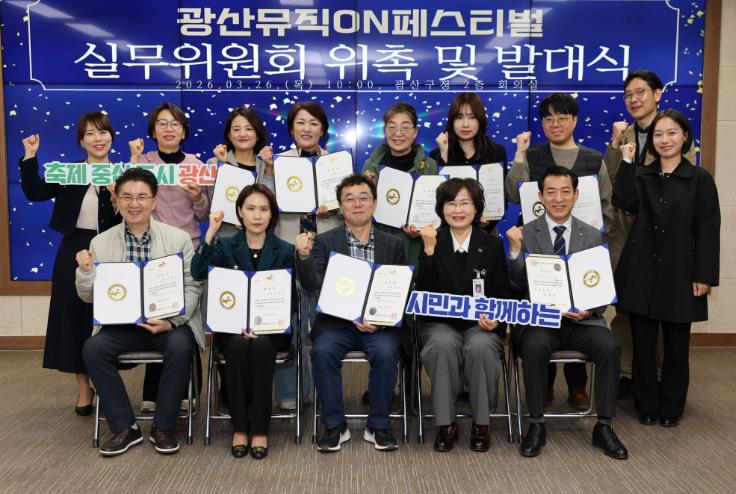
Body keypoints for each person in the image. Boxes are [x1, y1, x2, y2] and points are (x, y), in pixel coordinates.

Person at [77, 168, 203, 457]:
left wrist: (172, 321)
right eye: (127, 197)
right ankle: (125, 427)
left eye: (142, 197)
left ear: (154, 201)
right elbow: (88, 295)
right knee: (93, 348)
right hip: (121, 326)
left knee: (181, 345)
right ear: (117, 201)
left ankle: (164, 427)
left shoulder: (178, 239)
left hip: (167, 323)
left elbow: (192, 286)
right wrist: (85, 272)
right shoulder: (100, 243)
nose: (134, 204)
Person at [506, 166, 627, 460]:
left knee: (610, 348)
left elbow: (601, 286)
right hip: (542, 321)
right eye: (551, 192)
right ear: (540, 196)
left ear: (576, 195)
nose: (558, 199)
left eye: (565, 192)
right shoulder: (526, 233)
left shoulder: (593, 235)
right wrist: (515, 250)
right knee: (534, 347)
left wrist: (590, 309)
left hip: (583, 321)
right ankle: (536, 424)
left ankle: (604, 426)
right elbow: (516, 285)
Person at [505, 93, 615, 410]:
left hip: (582, 244)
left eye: (563, 117)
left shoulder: (593, 158)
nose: (556, 124)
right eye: (549, 118)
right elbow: (513, 193)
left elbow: (606, 205)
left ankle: (578, 387)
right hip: (540, 245)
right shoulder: (534, 156)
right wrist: (520, 155)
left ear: (574, 120)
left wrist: (592, 239)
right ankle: (544, 387)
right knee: (543, 326)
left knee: (581, 313)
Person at [613, 109, 719, 427]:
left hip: (680, 273)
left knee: (676, 347)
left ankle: (672, 406)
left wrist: (703, 275)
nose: (664, 139)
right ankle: (646, 404)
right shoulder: (642, 175)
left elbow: (708, 228)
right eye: (658, 134)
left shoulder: (699, 179)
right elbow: (623, 200)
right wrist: (627, 161)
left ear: (685, 137)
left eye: (672, 133)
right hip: (642, 271)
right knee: (643, 346)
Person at [295, 174, 407, 453]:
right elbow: (311, 283)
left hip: (378, 324)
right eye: (349, 199)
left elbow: (400, 289)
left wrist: (380, 321)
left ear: (375, 203)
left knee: (386, 352)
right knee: (322, 352)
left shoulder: (394, 244)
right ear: (341, 206)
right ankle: (334, 425)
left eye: (363, 197)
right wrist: (304, 257)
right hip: (336, 323)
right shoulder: (324, 241)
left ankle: (378, 425)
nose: (357, 204)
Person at [19, 112, 121, 416]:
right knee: (74, 318)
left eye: (103, 132)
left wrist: (117, 196)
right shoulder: (69, 172)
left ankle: (108, 382)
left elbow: (137, 213)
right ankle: (84, 388)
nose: (98, 139)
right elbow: (36, 192)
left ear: (111, 137)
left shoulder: (124, 173)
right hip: (74, 248)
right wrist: (30, 156)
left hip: (113, 249)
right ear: (81, 141)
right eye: (90, 134)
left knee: (110, 316)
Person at [603, 70, 697, 397]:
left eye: (640, 92)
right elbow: (612, 180)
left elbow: (681, 185)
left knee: (661, 310)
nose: (634, 99)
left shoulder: (671, 131)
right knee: (627, 309)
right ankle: (628, 374)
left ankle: (657, 376)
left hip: (660, 238)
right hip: (624, 235)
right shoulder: (624, 133)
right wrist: (615, 145)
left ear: (657, 94)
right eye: (628, 94)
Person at [191, 184, 293, 459]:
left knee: (260, 346)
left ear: (272, 215)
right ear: (239, 212)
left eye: (264, 209)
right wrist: (210, 233)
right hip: (232, 327)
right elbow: (198, 271)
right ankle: (239, 427)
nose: (257, 215)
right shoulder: (225, 246)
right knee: (236, 346)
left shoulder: (285, 250)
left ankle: (259, 429)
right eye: (250, 209)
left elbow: (291, 298)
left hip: (271, 328)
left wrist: (265, 323)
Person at [415, 178, 512, 452]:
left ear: (476, 208)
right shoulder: (432, 240)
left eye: (465, 203)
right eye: (451, 203)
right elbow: (423, 294)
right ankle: (446, 423)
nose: (458, 210)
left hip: (480, 324)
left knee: (480, 345)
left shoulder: (491, 244)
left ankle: (482, 423)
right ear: (441, 208)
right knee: (441, 343)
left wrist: (496, 318)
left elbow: (502, 292)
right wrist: (429, 252)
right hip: (440, 324)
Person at [129, 102, 209, 413]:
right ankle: (153, 392)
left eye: (175, 123)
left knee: (187, 320)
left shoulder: (195, 164)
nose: (169, 129)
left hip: (188, 250)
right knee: (156, 318)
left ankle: (188, 391)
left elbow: (203, 213)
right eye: (162, 123)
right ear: (153, 131)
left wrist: (197, 197)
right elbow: (128, 199)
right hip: (153, 252)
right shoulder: (144, 162)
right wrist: (134, 159)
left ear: (183, 131)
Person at [260, 101, 336, 410]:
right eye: (300, 123)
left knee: (322, 324)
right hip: (286, 246)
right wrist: (267, 172)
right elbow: (260, 203)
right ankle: (290, 392)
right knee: (288, 322)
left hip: (324, 250)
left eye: (314, 123)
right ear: (291, 129)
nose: (307, 129)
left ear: (323, 130)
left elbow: (353, 206)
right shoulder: (278, 163)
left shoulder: (336, 165)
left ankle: (321, 391)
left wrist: (335, 207)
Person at [362, 102, 438, 264]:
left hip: (414, 248)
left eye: (405, 127)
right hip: (379, 244)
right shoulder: (371, 165)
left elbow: (435, 212)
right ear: (384, 131)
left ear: (415, 132)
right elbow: (360, 212)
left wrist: (420, 228)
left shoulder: (429, 166)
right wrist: (366, 191)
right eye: (391, 127)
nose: (398, 133)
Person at [207, 106, 272, 238]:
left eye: (249, 129)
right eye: (236, 129)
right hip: (225, 240)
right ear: (229, 135)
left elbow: (271, 204)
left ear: (257, 135)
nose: (242, 134)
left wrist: (269, 169)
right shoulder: (214, 163)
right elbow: (213, 205)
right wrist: (225, 167)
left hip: (260, 241)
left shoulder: (266, 166)